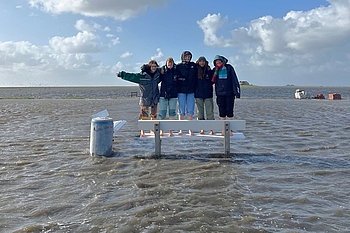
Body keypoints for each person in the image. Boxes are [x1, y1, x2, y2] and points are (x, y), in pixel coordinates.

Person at [117, 60, 161, 137]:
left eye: (155, 66)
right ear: (149, 67)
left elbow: (165, 70)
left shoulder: (158, 75)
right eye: (152, 66)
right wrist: (122, 74)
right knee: (144, 116)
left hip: (154, 99)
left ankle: (152, 130)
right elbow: (132, 76)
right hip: (145, 99)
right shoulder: (142, 76)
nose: (154, 68)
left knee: (154, 115)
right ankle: (142, 131)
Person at [211, 55, 241, 136]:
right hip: (220, 94)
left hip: (229, 93)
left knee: (230, 111)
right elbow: (211, 81)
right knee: (222, 112)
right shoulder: (215, 70)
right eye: (216, 62)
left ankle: (230, 130)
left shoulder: (229, 68)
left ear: (222, 61)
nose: (218, 62)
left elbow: (234, 79)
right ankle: (223, 130)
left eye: (219, 61)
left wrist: (237, 92)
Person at [176, 51, 197, 136]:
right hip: (181, 90)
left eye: (189, 57)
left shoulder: (194, 66)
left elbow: (203, 67)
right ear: (183, 57)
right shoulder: (178, 66)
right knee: (181, 110)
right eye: (186, 56)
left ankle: (190, 129)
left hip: (191, 91)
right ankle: (181, 129)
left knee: (190, 110)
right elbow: (168, 68)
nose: (187, 58)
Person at [158, 57, 178, 136]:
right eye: (168, 64)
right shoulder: (163, 71)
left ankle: (170, 131)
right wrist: (161, 69)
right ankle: (161, 131)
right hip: (163, 94)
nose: (170, 65)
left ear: (173, 64)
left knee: (172, 113)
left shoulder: (176, 71)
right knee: (162, 113)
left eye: (171, 63)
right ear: (166, 64)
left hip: (173, 94)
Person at [195, 56, 215, 135]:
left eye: (203, 61)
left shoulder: (209, 71)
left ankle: (211, 129)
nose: (202, 63)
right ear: (198, 62)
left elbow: (213, 81)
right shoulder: (196, 70)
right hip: (198, 94)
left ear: (205, 62)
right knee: (200, 113)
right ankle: (202, 129)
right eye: (200, 61)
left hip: (208, 94)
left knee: (210, 112)